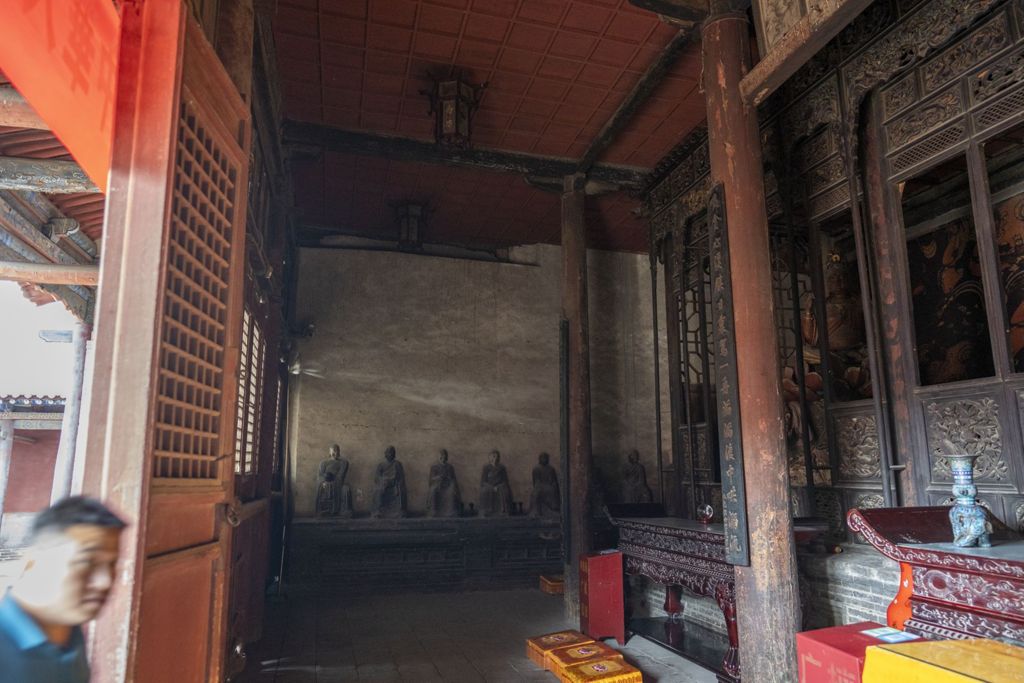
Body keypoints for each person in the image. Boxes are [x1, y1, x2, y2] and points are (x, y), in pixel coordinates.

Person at [0, 496, 125, 683]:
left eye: (111, 564)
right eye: (87, 561)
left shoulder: (69, 633)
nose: (105, 582)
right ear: (32, 562)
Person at [426, 449, 461, 517]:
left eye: (444, 457)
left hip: (448, 485)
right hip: (437, 484)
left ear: (446, 457)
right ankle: (434, 511)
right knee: (433, 490)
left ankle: (451, 511)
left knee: (452, 491)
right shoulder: (434, 467)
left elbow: (453, 479)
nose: (443, 458)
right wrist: (438, 477)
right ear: (439, 457)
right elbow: (431, 479)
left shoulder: (450, 467)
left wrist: (449, 479)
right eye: (441, 457)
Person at [479, 450, 513, 517]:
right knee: (485, 491)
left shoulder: (502, 467)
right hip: (489, 486)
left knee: (503, 491)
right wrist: (491, 487)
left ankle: (502, 511)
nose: (495, 458)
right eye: (493, 456)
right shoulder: (486, 467)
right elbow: (483, 481)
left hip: (500, 485)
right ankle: (488, 511)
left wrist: (499, 486)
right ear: (489, 457)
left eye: (496, 456)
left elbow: (505, 480)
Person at [529, 452, 560, 518]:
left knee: (553, 490)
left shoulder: (551, 469)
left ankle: (553, 509)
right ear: (539, 459)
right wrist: (541, 487)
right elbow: (536, 482)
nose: (544, 459)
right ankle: (537, 512)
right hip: (540, 486)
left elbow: (554, 480)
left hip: (549, 486)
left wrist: (553, 485)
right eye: (543, 458)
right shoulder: (536, 469)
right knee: (535, 493)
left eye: (545, 458)